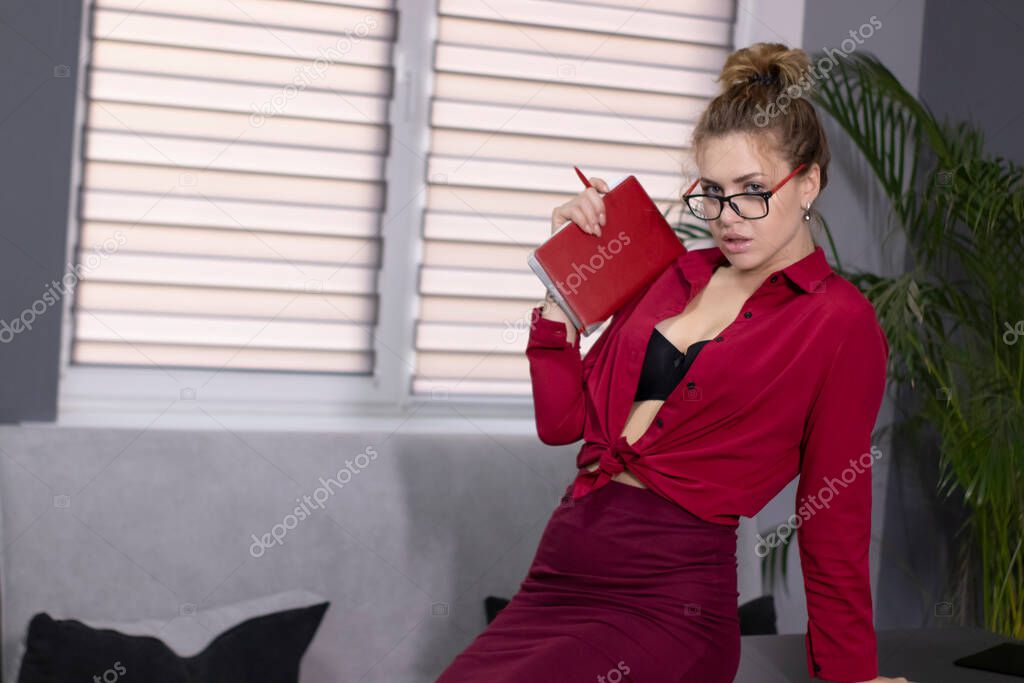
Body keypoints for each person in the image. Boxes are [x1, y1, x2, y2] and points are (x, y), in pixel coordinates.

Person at [436, 42, 910, 683]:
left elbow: (833, 512)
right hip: (558, 577)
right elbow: (562, 420)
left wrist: (849, 675)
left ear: (809, 183)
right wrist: (562, 285)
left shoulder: (839, 323)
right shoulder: (670, 275)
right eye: (710, 193)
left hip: (670, 603)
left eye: (750, 191)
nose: (726, 218)